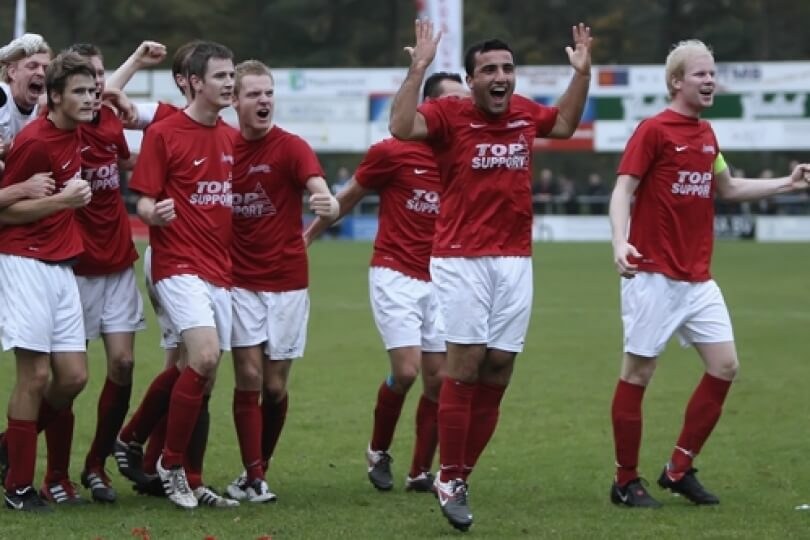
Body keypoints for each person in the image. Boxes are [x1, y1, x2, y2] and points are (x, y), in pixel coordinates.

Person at [389, 19, 592, 531]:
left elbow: (565, 125)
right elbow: (400, 126)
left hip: (515, 257)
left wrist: (581, 74)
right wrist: (418, 68)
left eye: (507, 68)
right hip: (460, 256)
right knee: (466, 363)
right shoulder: (448, 113)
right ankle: (451, 477)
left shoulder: (524, 113)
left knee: (500, 365)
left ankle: (457, 473)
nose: (500, 76)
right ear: (472, 79)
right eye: (489, 70)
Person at [608, 39, 810, 509]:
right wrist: (620, 240)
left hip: (698, 279)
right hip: (653, 274)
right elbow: (623, 190)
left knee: (725, 366)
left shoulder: (707, 136)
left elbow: (729, 186)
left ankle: (678, 468)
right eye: (700, 74)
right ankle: (624, 481)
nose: (710, 80)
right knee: (637, 375)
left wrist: (789, 182)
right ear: (677, 81)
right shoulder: (654, 130)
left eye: (712, 74)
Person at [304, 71, 467, 494]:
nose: (461, 109)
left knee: (439, 380)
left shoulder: (465, 156)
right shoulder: (392, 152)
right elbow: (346, 198)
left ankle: (418, 472)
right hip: (395, 272)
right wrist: (303, 239)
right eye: (451, 102)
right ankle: (378, 450)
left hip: (444, 278)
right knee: (408, 371)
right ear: (429, 108)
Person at [120, 41, 239, 510]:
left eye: (232, 76)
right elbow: (143, 199)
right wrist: (157, 212)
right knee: (204, 358)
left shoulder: (231, 137)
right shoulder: (166, 133)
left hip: (220, 270)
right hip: (177, 264)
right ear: (194, 81)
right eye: (220, 77)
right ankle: (169, 465)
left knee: (201, 377)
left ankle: (185, 470)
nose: (228, 84)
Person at [224, 59, 339, 503]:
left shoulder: (292, 147)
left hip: (288, 281)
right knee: (249, 376)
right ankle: (254, 478)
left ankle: (257, 467)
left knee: (274, 387)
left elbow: (315, 185)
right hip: (239, 280)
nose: (264, 100)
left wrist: (322, 199)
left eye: (268, 93)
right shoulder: (224, 147)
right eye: (253, 94)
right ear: (234, 101)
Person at [0, 52, 96, 512]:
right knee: (35, 375)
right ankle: (19, 487)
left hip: (61, 265)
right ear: (55, 97)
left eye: (93, 90)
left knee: (73, 378)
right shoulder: (35, 141)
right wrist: (61, 203)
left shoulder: (76, 133)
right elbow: (4, 214)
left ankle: (6, 449)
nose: (90, 98)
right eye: (80, 91)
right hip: (24, 262)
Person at [58, 42, 145, 504]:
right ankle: (45, 462)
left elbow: (129, 159)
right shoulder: (59, 132)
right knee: (69, 378)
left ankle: (95, 464)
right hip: (74, 269)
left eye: (100, 80)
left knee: (125, 363)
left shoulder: (110, 120)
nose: (95, 89)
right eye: (86, 80)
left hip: (117, 265)